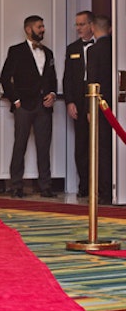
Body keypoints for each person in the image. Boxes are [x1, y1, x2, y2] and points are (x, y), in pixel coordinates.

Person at [0, 15, 58, 198]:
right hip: (24, 106)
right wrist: (15, 100)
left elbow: (52, 78)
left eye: (43, 26)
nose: (43, 29)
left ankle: (45, 186)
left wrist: (53, 94)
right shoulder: (16, 51)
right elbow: (5, 78)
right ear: (28, 29)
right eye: (39, 27)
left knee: (44, 146)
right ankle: (16, 186)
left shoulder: (48, 52)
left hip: (44, 106)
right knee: (20, 145)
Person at [63, 10, 95, 198]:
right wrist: (70, 102)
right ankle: (84, 186)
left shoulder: (104, 46)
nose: (78, 28)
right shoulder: (72, 48)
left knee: (99, 144)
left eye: (81, 24)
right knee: (81, 145)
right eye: (76, 25)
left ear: (91, 25)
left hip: (97, 98)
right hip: (78, 100)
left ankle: (102, 185)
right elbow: (67, 78)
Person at [86, 14, 113, 205]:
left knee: (102, 148)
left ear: (93, 28)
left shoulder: (94, 50)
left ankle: (105, 192)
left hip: (102, 104)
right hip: (118, 102)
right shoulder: (117, 46)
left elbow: (92, 80)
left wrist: (90, 108)